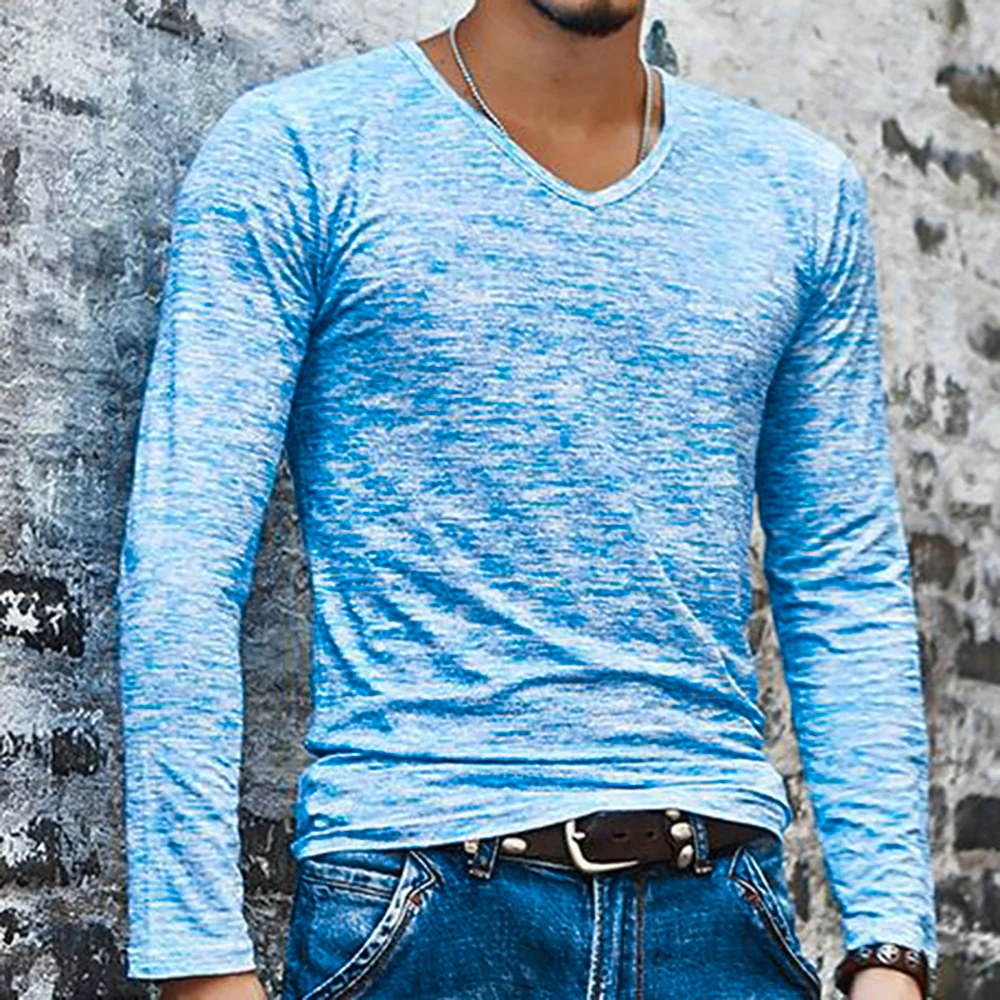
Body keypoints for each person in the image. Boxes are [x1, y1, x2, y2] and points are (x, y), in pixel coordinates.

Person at [115, 1, 939, 998]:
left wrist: (890, 948)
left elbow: (843, 573)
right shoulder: (302, 149)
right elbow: (185, 558)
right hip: (420, 906)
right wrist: (199, 964)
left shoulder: (799, 191)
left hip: (721, 912)